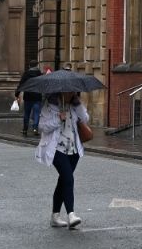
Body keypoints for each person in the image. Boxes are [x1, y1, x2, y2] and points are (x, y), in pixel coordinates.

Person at [36, 92, 89, 229]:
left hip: (74, 150)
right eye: (68, 91)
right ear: (62, 91)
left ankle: (55, 216)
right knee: (68, 179)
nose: (71, 93)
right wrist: (59, 119)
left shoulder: (75, 105)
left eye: (73, 91)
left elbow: (86, 119)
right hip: (56, 150)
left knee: (63, 181)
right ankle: (71, 214)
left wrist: (79, 106)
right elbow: (42, 126)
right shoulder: (50, 105)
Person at [16, 60, 43, 136]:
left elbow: (21, 84)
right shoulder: (39, 74)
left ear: (29, 66)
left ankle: (25, 129)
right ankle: (35, 129)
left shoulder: (26, 74)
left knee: (26, 114)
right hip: (37, 96)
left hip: (28, 96)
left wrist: (17, 94)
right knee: (37, 113)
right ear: (37, 65)